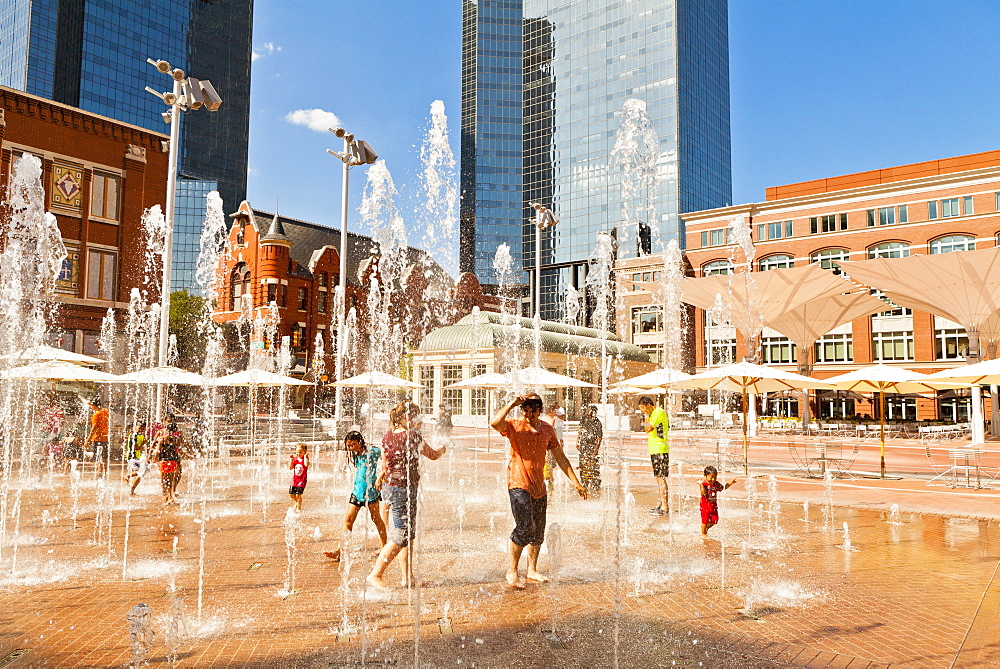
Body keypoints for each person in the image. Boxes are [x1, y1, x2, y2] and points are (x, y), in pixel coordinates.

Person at [491, 393, 587, 590]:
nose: (528, 414)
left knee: (538, 531)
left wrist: (576, 482)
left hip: (538, 486)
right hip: (518, 483)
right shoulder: (514, 426)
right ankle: (512, 571)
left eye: (533, 410)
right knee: (525, 527)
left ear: (540, 411)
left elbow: (560, 457)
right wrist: (511, 403)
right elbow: (494, 423)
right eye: (525, 410)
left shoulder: (548, 430)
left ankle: (532, 570)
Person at [367, 403, 446, 590]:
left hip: (392, 487)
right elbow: (433, 455)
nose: (417, 420)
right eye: (415, 416)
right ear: (405, 417)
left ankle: (407, 577)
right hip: (404, 489)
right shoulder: (413, 435)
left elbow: (385, 468)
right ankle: (375, 574)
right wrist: (443, 449)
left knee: (408, 534)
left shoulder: (387, 436)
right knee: (401, 534)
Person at [324, 431, 387, 561]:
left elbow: (388, 461)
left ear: (360, 442)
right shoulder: (354, 454)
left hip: (371, 492)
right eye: (349, 446)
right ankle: (340, 551)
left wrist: (381, 478)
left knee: (376, 519)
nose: (351, 448)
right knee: (348, 520)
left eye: (352, 445)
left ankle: (384, 546)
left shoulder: (373, 451)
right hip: (357, 491)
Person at [639, 396, 670, 516]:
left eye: (642, 408)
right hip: (655, 449)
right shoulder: (654, 414)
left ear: (647, 405)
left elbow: (648, 428)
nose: (642, 411)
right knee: (658, 477)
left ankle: (665, 507)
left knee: (661, 477)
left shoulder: (658, 412)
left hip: (660, 449)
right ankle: (662, 504)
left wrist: (646, 415)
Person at [700, 465, 738, 536]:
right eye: (711, 477)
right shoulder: (704, 484)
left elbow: (723, 488)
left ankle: (706, 528)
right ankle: (703, 533)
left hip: (713, 506)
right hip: (705, 506)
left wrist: (730, 483)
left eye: (715, 477)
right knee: (705, 521)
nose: (713, 479)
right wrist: (701, 485)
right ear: (705, 476)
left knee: (715, 520)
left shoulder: (716, 484)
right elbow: (703, 493)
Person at [153, 422, 185, 504]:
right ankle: (170, 495)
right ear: (175, 430)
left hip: (163, 460)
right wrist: (188, 456)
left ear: (167, 429)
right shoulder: (176, 439)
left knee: (164, 480)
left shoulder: (162, 439)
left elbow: (158, 450)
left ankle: (167, 496)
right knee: (171, 480)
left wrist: (155, 458)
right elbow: (179, 450)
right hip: (173, 460)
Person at [577, 405, 603, 495]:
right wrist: (578, 441)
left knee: (593, 467)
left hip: (592, 447)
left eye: (590, 411)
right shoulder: (584, 419)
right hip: (583, 447)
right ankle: (584, 484)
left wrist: (595, 451)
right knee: (583, 466)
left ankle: (595, 486)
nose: (588, 413)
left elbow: (599, 438)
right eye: (587, 411)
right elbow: (580, 430)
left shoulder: (598, 423)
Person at [123, 421, 147, 496]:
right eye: (139, 428)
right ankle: (131, 489)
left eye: (143, 429)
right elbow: (135, 447)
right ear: (135, 427)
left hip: (138, 457)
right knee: (141, 472)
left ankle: (131, 487)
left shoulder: (142, 435)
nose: (141, 430)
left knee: (142, 472)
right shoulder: (133, 435)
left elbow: (142, 444)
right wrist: (144, 448)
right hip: (132, 457)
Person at [86, 398, 110, 475]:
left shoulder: (96, 414)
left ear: (94, 406)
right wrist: (91, 404)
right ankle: (104, 473)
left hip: (97, 438)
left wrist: (88, 440)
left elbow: (94, 428)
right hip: (105, 437)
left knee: (98, 457)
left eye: (92, 406)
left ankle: (99, 473)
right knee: (104, 457)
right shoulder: (105, 411)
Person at [288, 443, 310, 512]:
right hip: (294, 480)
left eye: (300, 452)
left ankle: (298, 508)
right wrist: (291, 460)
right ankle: (297, 502)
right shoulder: (295, 459)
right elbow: (290, 468)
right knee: (291, 494)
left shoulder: (305, 459)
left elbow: (306, 465)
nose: (298, 454)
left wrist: (305, 457)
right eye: (297, 452)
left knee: (298, 495)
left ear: (305, 452)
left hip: (302, 480)